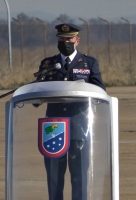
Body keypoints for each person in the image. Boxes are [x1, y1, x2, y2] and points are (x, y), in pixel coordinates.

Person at [35, 23, 106, 200]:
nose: (65, 41)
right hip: (54, 128)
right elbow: (37, 93)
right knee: (54, 177)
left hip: (79, 126)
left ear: (77, 40)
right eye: (62, 39)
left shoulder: (89, 63)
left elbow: (100, 91)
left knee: (79, 175)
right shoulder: (48, 63)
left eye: (69, 39)